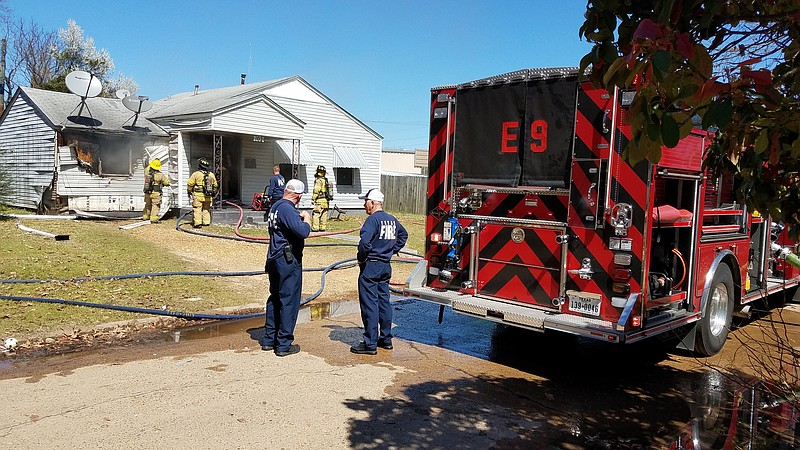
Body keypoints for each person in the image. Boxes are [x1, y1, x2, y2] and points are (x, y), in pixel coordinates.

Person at [350, 188, 408, 355]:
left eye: (366, 201)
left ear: (373, 203)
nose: (364, 204)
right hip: (385, 265)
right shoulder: (391, 220)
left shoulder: (372, 220)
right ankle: (386, 338)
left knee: (369, 304)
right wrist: (391, 250)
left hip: (372, 266)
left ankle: (370, 343)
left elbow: (364, 243)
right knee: (384, 301)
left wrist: (362, 258)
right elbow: (404, 235)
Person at [263, 179, 312, 356]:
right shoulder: (287, 209)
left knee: (275, 297)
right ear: (298, 197)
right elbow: (303, 232)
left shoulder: (276, 206)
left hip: (274, 256)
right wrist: (306, 219)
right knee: (288, 300)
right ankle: (283, 344)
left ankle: (269, 339)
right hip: (287, 259)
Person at [187, 158, 218, 228]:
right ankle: (206, 222)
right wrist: (214, 193)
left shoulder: (196, 174)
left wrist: (189, 191)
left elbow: (190, 184)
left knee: (197, 209)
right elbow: (215, 185)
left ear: (199, 166)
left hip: (198, 196)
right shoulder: (211, 175)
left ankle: (198, 223)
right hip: (208, 196)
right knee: (206, 209)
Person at [142, 158, 170, 223]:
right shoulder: (160, 175)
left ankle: (145, 216)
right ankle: (153, 219)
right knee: (155, 205)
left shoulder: (146, 173)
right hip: (156, 193)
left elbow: (147, 168)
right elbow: (167, 183)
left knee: (148, 205)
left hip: (147, 192)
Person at [311, 165, 333, 232]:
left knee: (316, 214)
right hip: (326, 201)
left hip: (319, 201)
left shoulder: (319, 180)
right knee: (324, 214)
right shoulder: (325, 180)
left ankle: (315, 227)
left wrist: (313, 198)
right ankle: (322, 227)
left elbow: (316, 190)